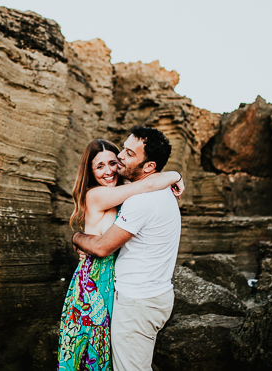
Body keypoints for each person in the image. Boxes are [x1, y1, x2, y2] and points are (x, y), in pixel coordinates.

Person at [57, 138, 184, 371]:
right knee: (90, 357)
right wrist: (175, 176)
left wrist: (176, 175)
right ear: (90, 171)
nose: (108, 172)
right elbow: (146, 184)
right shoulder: (96, 196)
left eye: (113, 163)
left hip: (114, 287)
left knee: (108, 357)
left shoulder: (124, 196)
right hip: (93, 286)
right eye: (99, 166)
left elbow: (148, 181)